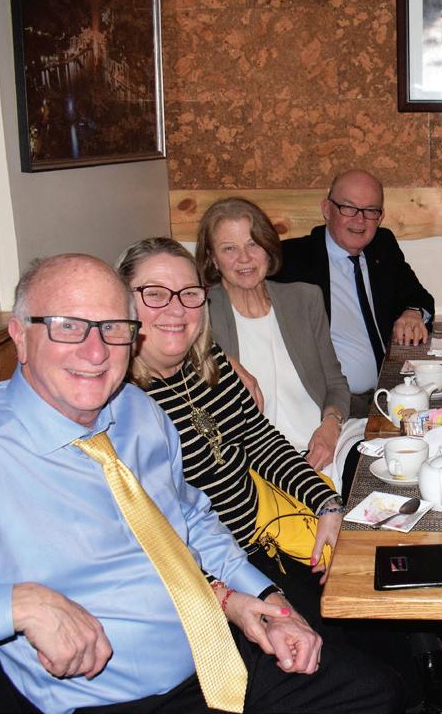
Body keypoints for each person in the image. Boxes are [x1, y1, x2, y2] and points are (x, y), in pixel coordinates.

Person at [0, 254, 400, 713]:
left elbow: (191, 517)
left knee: (378, 691)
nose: (95, 351)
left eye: (112, 328)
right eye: (68, 326)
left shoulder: (136, 412)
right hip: (113, 697)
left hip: (219, 651)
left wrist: (264, 600)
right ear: (19, 336)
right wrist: (19, 604)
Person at [118, 237, 344, 627]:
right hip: (212, 579)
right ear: (121, 302)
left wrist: (325, 501)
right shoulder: (122, 401)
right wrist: (227, 595)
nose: (176, 308)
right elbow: (151, 537)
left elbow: (260, 440)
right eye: (155, 294)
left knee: (369, 601)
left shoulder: (210, 362)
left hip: (266, 540)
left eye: (189, 293)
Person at [196, 197, 364, 493]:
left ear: (267, 246)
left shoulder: (305, 299)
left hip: (327, 446)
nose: (244, 258)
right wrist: (224, 360)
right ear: (213, 258)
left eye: (252, 244)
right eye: (229, 248)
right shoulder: (199, 315)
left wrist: (330, 425)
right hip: (260, 466)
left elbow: (335, 383)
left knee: (376, 471)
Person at [271, 169, 435, 417]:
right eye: (348, 208)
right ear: (327, 209)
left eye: (370, 210)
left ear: (380, 216)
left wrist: (412, 312)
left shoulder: (382, 246)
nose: (360, 220)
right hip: (334, 405)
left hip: (392, 390)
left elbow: (420, 297)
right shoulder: (291, 260)